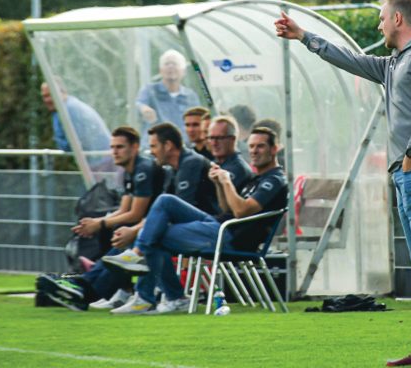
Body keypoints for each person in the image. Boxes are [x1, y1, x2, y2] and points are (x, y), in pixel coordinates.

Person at [275, 0, 411, 368]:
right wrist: (303, 36)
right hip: (406, 171)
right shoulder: (393, 62)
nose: (379, 25)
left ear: (398, 19)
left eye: (382, 18)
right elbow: (349, 59)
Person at [102, 127, 285, 315]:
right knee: (165, 202)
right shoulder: (258, 178)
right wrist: (219, 184)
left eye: (260, 146)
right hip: (219, 225)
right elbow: (226, 209)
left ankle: (157, 293)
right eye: (252, 146)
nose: (254, 151)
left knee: (151, 234)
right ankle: (150, 279)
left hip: (231, 237)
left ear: (274, 149)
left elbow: (241, 211)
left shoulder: (275, 180)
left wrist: (226, 181)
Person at [38, 126, 161, 311]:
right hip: (144, 227)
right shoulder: (130, 171)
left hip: (152, 229)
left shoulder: (144, 168)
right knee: (112, 230)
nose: (115, 152)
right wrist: (97, 222)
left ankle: (86, 289)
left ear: (135, 147)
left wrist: (100, 223)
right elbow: (124, 209)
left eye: (120, 147)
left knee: (120, 234)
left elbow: (135, 214)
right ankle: (103, 288)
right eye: (112, 147)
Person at [135, 49, 200, 144]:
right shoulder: (149, 90)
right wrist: (143, 109)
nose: (171, 67)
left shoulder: (190, 96)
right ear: (160, 70)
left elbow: (199, 119)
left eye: (174, 64)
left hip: (183, 146)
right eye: (167, 64)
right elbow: (138, 105)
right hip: (154, 147)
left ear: (183, 71)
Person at [40, 80, 110, 155]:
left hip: (100, 157)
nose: (46, 100)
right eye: (44, 96)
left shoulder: (70, 109)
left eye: (49, 95)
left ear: (62, 93)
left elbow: (77, 143)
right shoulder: (60, 109)